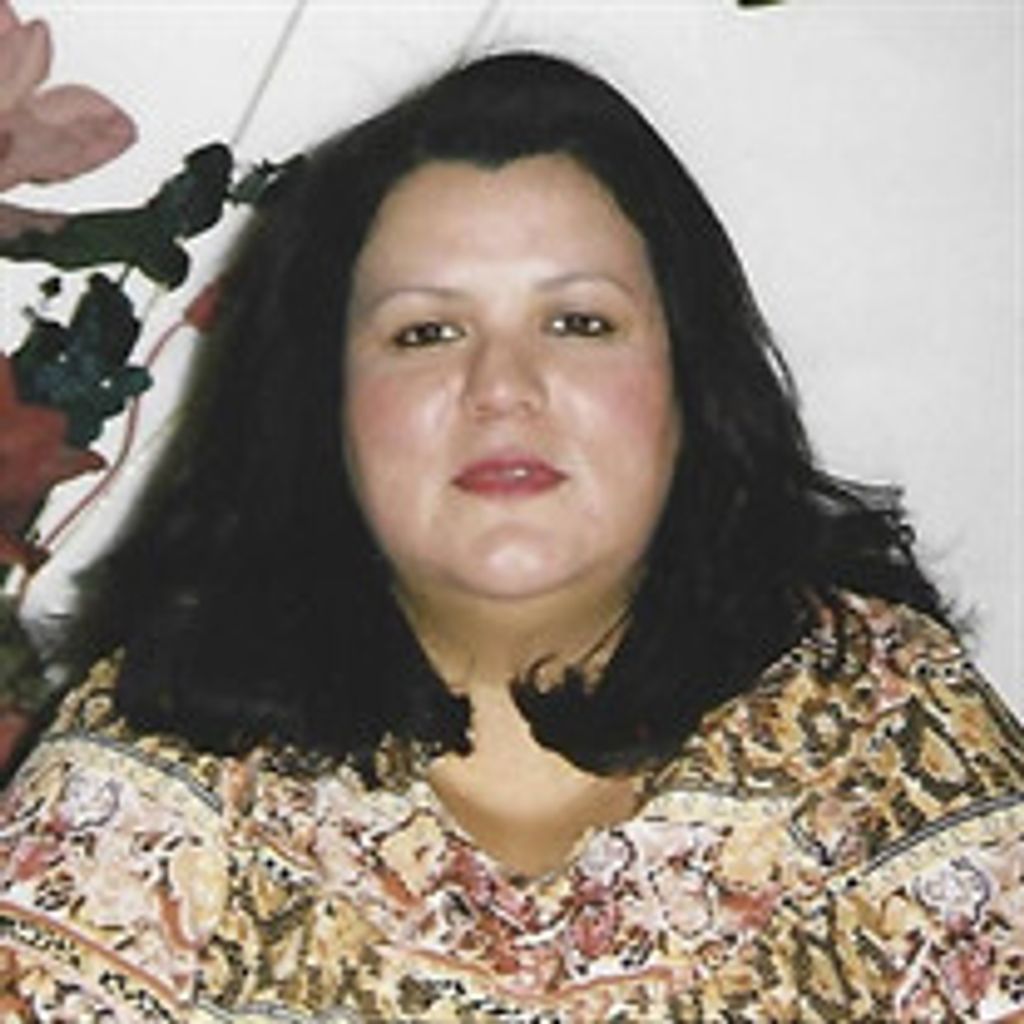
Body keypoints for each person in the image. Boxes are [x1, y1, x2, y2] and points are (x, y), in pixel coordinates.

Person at [1, 50, 1022, 1023]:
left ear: (688, 375)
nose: (501, 389)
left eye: (578, 323)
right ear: (322, 404)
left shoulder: (883, 724)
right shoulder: (157, 751)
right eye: (425, 333)